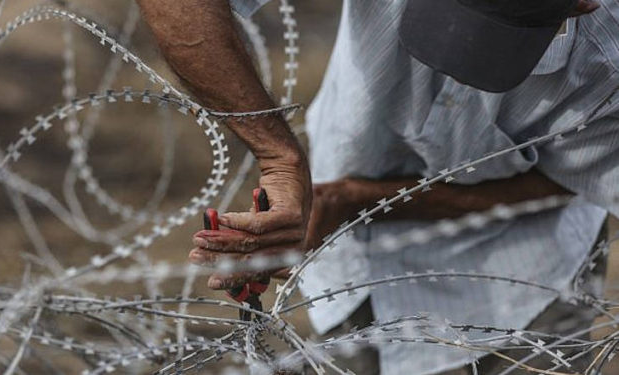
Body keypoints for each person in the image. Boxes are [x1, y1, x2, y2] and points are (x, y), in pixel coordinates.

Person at [137, 0, 619, 374]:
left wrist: (356, 200)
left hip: (525, 284)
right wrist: (278, 157)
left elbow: (560, 181)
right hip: (352, 278)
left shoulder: (610, 57)